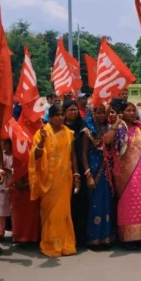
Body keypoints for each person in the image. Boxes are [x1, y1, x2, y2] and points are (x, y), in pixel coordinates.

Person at [104, 98, 141, 249]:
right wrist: (117, 122)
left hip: (140, 170)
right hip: (124, 172)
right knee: (128, 201)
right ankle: (128, 237)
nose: (132, 113)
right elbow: (107, 141)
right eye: (128, 110)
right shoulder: (119, 128)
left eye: (133, 110)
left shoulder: (140, 127)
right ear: (122, 112)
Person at [29, 104, 79, 257]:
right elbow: (35, 156)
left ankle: (66, 244)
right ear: (50, 117)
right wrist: (42, 141)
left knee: (63, 213)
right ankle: (50, 244)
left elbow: (72, 155)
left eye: (62, 114)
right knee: (50, 213)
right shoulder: (42, 133)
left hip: (65, 179)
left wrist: (76, 174)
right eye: (57, 115)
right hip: (48, 181)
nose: (61, 117)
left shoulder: (69, 133)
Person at [81, 104, 114, 248]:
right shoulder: (88, 131)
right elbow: (83, 154)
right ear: (92, 113)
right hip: (94, 171)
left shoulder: (108, 129)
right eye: (97, 112)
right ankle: (94, 237)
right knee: (95, 203)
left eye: (103, 113)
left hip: (107, 171)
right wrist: (88, 175)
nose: (100, 115)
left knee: (106, 202)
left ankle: (105, 236)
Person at [63, 100, 88, 247]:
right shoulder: (59, 127)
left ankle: (80, 236)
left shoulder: (82, 127)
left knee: (80, 202)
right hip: (63, 168)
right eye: (70, 110)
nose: (73, 112)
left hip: (80, 166)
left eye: (75, 110)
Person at [0, 139, 13, 242]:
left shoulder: (14, 156)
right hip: (1, 186)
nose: (4, 146)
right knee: (1, 209)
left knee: (13, 210)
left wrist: (6, 169)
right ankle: (1, 232)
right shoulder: (0, 155)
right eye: (2, 144)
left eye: (5, 144)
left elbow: (14, 170)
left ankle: (16, 233)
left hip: (11, 184)